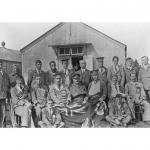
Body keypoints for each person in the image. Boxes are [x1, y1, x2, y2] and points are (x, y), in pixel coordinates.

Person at [0, 60, 10, 127]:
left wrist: (7, 97)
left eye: (1, 64)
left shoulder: (6, 75)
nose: (0, 66)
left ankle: (3, 127)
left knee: (3, 113)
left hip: (3, 97)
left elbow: (8, 86)